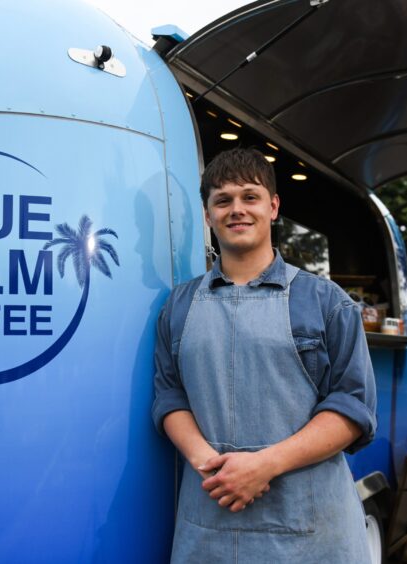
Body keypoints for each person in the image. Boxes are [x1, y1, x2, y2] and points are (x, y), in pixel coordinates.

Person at [152, 147, 377, 563]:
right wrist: (211, 465)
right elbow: (170, 397)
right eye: (223, 200)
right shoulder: (178, 306)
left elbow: (352, 405)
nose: (236, 209)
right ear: (207, 215)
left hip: (308, 533)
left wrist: (264, 465)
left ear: (273, 207)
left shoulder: (326, 302)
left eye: (249, 197)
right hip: (209, 523)